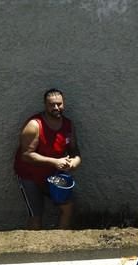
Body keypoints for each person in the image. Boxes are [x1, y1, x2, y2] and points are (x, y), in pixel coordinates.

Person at [13, 88, 82, 229]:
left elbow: (74, 150)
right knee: (36, 215)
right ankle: (34, 248)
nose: (56, 108)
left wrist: (75, 161)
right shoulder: (34, 125)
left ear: (64, 104)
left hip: (53, 176)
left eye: (59, 104)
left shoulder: (68, 125)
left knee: (68, 207)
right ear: (45, 105)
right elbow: (26, 155)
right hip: (30, 176)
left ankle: (59, 244)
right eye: (52, 105)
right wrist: (55, 162)